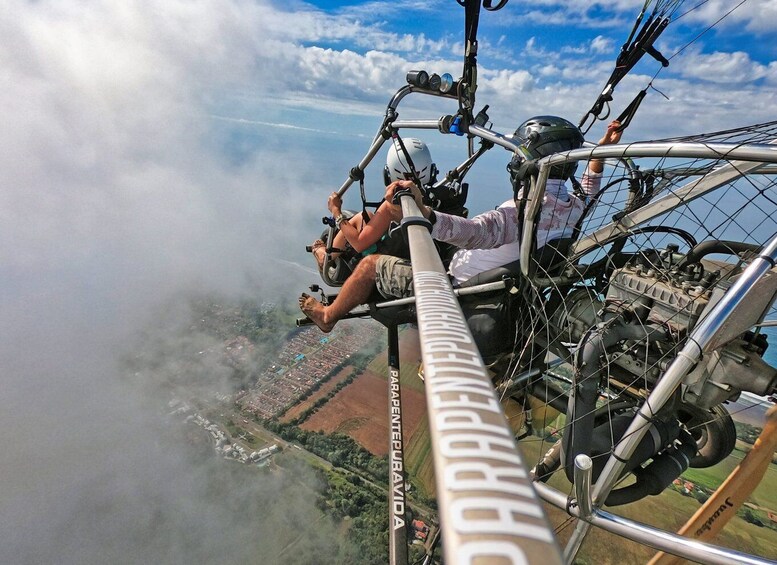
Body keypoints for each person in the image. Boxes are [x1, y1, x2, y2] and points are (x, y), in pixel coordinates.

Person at [300, 117, 623, 333]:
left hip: (454, 288)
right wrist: (603, 148)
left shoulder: (521, 214)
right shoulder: (572, 207)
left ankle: (328, 316)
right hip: (492, 284)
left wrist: (422, 211)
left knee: (370, 264)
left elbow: (472, 233)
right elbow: (590, 183)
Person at [310, 138, 436, 271]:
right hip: (422, 260)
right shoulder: (433, 200)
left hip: (388, 263)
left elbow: (359, 243)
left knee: (362, 217)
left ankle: (325, 258)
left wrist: (336, 212)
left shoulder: (393, 206)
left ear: (389, 173)